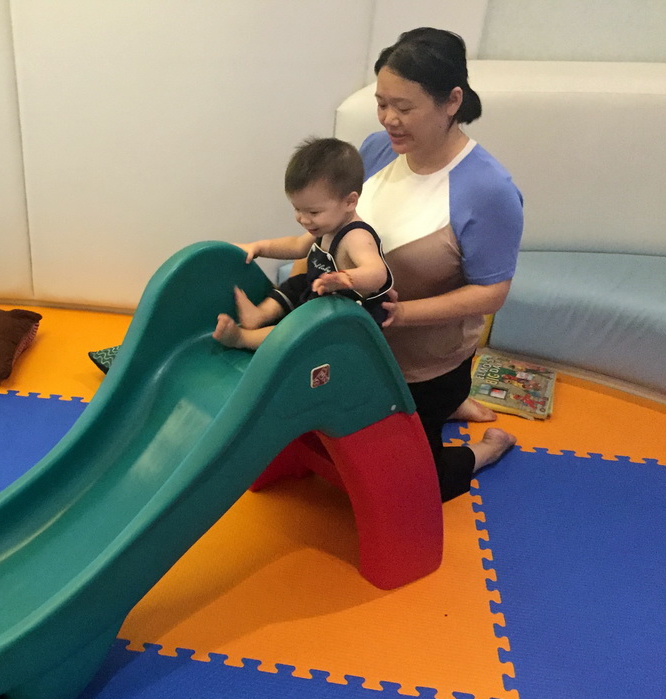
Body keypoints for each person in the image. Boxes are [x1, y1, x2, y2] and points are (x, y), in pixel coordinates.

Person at [357, 27, 523, 501]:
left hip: (427, 364)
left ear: (452, 101)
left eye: (405, 108)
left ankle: (488, 447)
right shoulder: (376, 149)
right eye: (382, 103)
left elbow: (493, 292)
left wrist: (403, 313)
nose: (389, 119)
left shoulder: (487, 190)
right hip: (359, 344)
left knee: (409, 489)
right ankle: (449, 410)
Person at [214, 137, 393, 350]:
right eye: (298, 209)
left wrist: (345, 278)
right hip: (324, 295)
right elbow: (297, 246)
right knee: (296, 284)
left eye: (313, 212)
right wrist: (259, 247)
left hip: (347, 316)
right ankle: (259, 315)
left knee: (300, 328)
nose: (303, 219)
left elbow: (377, 273)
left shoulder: (357, 237)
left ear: (349, 202)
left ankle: (244, 339)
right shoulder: (329, 225)